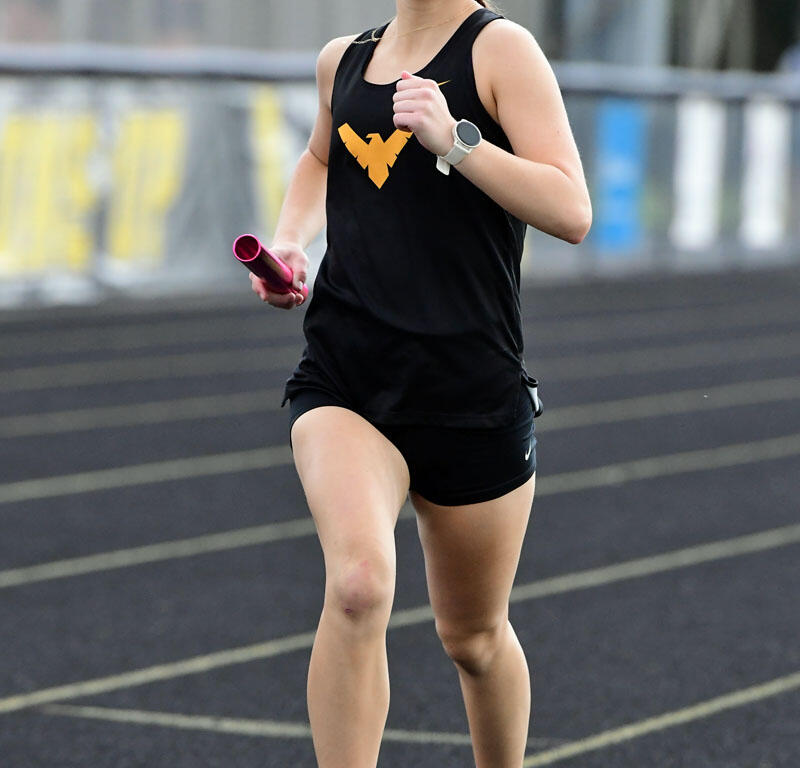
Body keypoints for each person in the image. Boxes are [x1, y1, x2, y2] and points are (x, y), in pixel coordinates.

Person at [249, 1, 591, 765]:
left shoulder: (501, 51)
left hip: (470, 391)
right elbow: (319, 159)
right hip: (347, 378)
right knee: (360, 586)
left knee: (472, 638)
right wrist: (290, 242)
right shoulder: (343, 59)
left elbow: (571, 210)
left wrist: (457, 141)